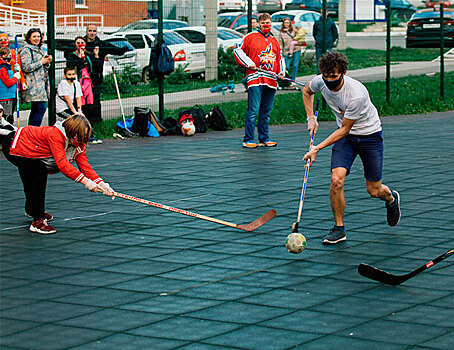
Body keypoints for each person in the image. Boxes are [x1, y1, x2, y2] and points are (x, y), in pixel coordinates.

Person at [302, 52, 401, 244]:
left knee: (373, 190)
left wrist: (316, 148)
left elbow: (346, 129)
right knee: (336, 180)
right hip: (346, 139)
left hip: (369, 136)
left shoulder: (356, 94)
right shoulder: (320, 81)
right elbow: (307, 92)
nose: (329, 80)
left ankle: (391, 199)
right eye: (326, 76)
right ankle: (339, 228)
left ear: (343, 73)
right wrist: (310, 118)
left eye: (333, 76)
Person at [2, 114, 114, 234]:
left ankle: (32, 210)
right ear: (71, 132)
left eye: (83, 137)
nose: (80, 140)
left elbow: (85, 166)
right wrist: (87, 183)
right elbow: (63, 165)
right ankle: (37, 220)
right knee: (38, 172)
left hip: (30, 150)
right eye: (78, 136)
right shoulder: (55, 135)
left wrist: (102, 184)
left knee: (34, 173)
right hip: (15, 144)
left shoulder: (78, 143)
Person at [233, 12, 285, 148]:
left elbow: (280, 58)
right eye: (263, 23)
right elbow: (237, 50)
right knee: (253, 110)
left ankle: (264, 138)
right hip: (255, 78)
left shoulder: (274, 40)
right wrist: (248, 63)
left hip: (271, 80)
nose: (266, 26)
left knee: (266, 112)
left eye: (268, 23)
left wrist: (281, 72)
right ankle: (248, 139)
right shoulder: (250, 37)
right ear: (259, 24)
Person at [83, 25, 128, 125]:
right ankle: (83, 122)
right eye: (90, 31)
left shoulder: (101, 44)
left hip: (96, 77)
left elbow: (114, 50)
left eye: (94, 31)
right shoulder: (82, 44)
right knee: (83, 101)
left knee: (95, 100)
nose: (92, 33)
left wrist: (123, 49)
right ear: (86, 32)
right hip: (83, 78)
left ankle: (97, 122)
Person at [18, 28, 52, 126]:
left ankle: (32, 132)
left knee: (39, 109)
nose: (37, 39)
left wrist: (46, 62)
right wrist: (41, 62)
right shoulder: (26, 50)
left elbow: (42, 67)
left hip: (41, 84)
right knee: (40, 108)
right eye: (34, 36)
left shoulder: (39, 49)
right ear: (29, 38)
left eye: (38, 36)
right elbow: (26, 67)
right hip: (33, 84)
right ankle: (33, 132)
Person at [0, 47, 21, 124]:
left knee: (9, 115)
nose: (8, 57)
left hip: (10, 95)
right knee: (6, 116)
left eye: (10, 55)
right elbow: (8, 82)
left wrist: (16, 71)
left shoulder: (7, 67)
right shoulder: (2, 68)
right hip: (5, 97)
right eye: (6, 55)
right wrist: (16, 77)